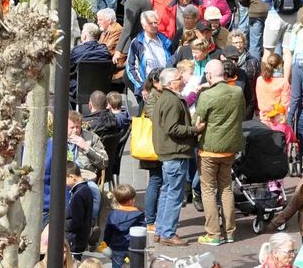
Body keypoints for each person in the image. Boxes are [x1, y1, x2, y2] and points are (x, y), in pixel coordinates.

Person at [194, 58, 246, 245]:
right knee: (226, 188)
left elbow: (198, 122)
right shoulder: (237, 92)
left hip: (209, 149)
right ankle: (230, 232)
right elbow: (241, 113)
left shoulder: (207, 96)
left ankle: (213, 234)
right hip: (229, 148)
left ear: (208, 75)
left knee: (208, 190)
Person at [148, 67, 202, 246]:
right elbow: (173, 129)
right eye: (180, 78)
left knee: (167, 191)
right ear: (171, 83)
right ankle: (168, 233)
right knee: (174, 194)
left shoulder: (165, 98)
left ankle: (161, 230)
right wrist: (195, 129)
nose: (183, 81)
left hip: (170, 152)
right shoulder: (171, 100)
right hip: (175, 152)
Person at [103, 184, 144, 268]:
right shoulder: (139, 215)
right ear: (131, 201)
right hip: (133, 247)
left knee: (117, 265)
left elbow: (108, 231)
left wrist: (105, 243)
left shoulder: (112, 215)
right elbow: (142, 230)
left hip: (116, 247)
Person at [64, 162, 94, 258]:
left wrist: (62, 224)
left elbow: (75, 222)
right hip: (79, 239)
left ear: (72, 177)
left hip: (74, 241)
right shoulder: (85, 190)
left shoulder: (78, 195)